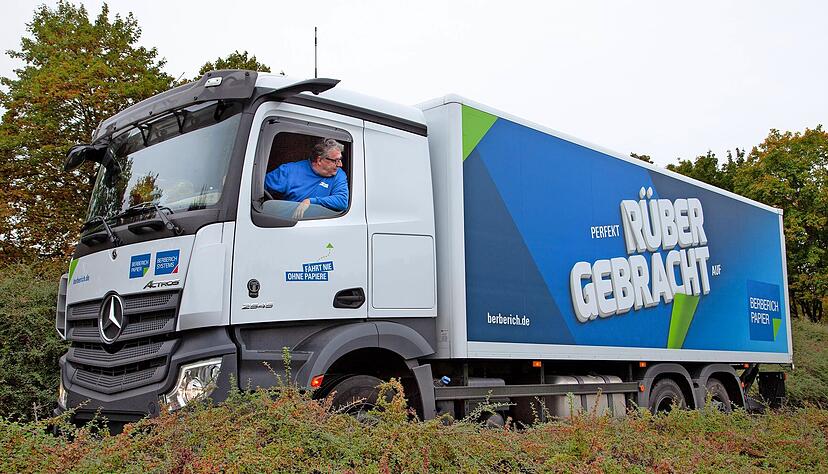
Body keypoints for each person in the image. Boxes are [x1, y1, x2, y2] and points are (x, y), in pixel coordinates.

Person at [264, 138, 349, 219]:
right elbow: (257, 189)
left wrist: (311, 201)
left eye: (340, 160)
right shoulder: (288, 171)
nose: (340, 165)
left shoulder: (339, 174)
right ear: (319, 160)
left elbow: (342, 201)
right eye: (336, 161)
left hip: (320, 226)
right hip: (286, 224)